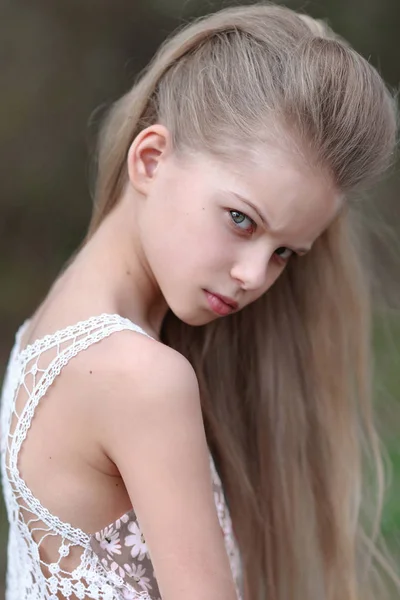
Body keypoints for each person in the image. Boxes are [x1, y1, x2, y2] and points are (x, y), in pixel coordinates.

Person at [1, 3, 399, 599]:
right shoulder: (142, 380)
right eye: (241, 219)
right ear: (151, 159)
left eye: (286, 252)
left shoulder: (50, 327)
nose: (253, 275)